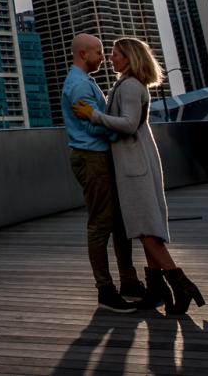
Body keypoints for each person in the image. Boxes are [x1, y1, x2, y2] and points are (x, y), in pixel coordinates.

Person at [76, 37, 205, 315]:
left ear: (130, 58)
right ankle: (157, 289)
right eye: (109, 54)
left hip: (135, 164)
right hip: (136, 160)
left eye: (116, 54)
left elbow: (129, 124)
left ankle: (182, 284)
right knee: (145, 228)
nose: (111, 59)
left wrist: (93, 115)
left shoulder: (131, 86)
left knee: (146, 232)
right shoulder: (128, 84)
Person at [63, 32, 147, 312]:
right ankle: (105, 289)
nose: (104, 58)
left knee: (119, 222)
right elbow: (91, 128)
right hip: (92, 157)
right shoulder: (79, 86)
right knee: (101, 223)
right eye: (99, 52)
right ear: (83, 54)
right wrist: (121, 133)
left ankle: (129, 281)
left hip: (100, 156)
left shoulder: (87, 82)